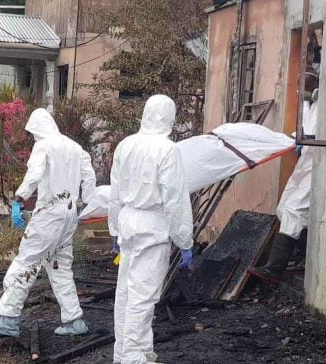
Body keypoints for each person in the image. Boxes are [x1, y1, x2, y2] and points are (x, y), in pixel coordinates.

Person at [0, 108, 96, 338]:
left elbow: (34, 175)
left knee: (26, 262)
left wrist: (19, 198)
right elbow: (90, 177)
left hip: (49, 217)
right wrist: (88, 203)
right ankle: (74, 320)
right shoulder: (74, 147)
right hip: (69, 214)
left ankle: (8, 319)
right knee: (60, 267)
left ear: (38, 129)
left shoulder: (44, 146)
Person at [109, 95, 194, 364]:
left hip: (128, 220)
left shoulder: (126, 145)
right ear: (170, 117)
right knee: (143, 296)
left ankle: (127, 352)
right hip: (153, 226)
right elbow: (175, 198)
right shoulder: (166, 149)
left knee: (125, 292)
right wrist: (185, 239)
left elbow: (115, 192)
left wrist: (114, 229)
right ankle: (133, 358)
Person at [248, 66, 319, 283]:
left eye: (302, 85)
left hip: (318, 161)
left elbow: (312, 132)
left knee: (294, 209)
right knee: (285, 206)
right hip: (306, 159)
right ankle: (301, 257)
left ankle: (275, 268)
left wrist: (297, 139)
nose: (298, 90)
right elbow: (303, 128)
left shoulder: (325, 103)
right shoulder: (310, 103)